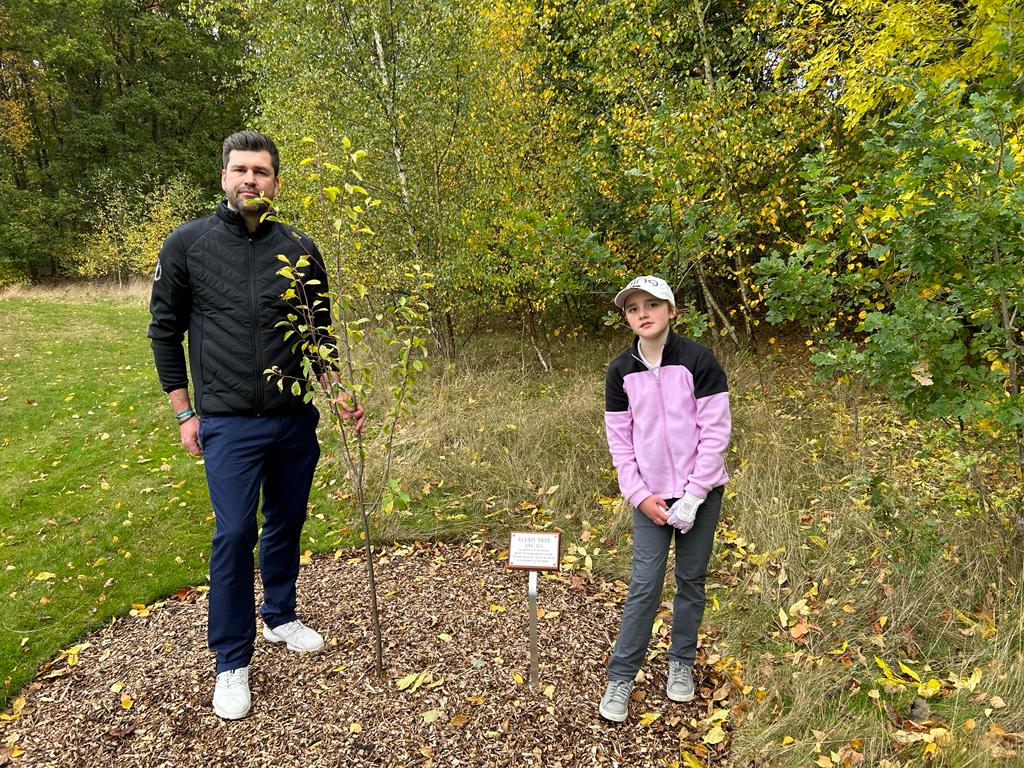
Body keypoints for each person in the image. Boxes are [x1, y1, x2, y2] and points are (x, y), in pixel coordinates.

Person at [148, 130, 363, 720]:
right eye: (241, 170)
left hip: (293, 418)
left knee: (286, 520)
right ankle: (231, 660)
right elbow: (164, 331)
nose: (251, 180)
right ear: (224, 177)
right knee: (236, 532)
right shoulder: (187, 245)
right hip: (228, 422)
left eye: (261, 171)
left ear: (275, 181)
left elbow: (317, 331)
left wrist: (337, 390)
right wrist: (184, 411)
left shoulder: (299, 248)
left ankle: (280, 615)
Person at [599, 275, 731, 723]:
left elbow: (715, 431)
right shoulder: (620, 371)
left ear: (671, 311)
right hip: (650, 497)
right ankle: (621, 676)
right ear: (627, 318)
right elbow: (620, 443)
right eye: (633, 307)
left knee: (691, 580)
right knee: (645, 584)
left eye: (652, 304)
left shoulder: (698, 359)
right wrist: (639, 495)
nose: (643, 313)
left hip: (701, 494)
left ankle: (681, 662)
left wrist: (694, 495)